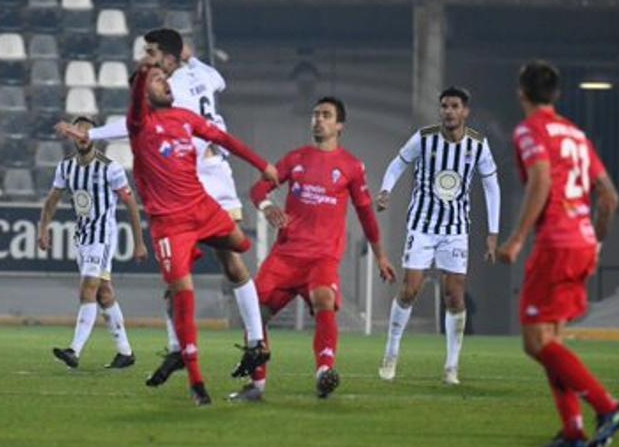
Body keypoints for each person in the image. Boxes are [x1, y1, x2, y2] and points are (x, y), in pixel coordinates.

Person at [61, 51, 278, 406]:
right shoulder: (139, 124)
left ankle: (246, 343)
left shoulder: (185, 117)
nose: (165, 82)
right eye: (157, 80)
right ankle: (196, 380)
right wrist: (142, 74)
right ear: (144, 93)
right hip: (171, 225)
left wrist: (262, 164)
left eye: (165, 77)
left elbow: (225, 140)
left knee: (240, 247)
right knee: (181, 293)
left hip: (203, 208)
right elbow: (135, 105)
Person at [496, 60, 619, 447]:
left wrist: (517, 238)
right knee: (551, 339)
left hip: (556, 243)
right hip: (582, 241)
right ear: (555, 94)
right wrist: (595, 241)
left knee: (534, 341)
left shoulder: (530, 130)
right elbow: (610, 197)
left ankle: (609, 408)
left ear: (521, 92)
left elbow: (540, 180)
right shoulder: (576, 133)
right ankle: (572, 430)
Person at [231, 97, 396, 402]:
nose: (318, 119)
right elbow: (258, 189)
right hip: (285, 256)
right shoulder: (295, 158)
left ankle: (324, 372)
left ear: (339, 125)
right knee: (254, 313)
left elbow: (366, 214)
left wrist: (381, 256)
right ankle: (257, 385)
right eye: (316, 114)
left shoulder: (351, 166)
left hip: (322, 257)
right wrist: (267, 207)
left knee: (324, 299)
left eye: (326, 115)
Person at [376, 87, 501, 386]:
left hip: (456, 229)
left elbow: (491, 186)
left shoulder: (478, 145)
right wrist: (385, 190)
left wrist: (493, 232)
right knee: (410, 289)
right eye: (444, 106)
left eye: (454, 106)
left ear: (465, 111)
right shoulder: (424, 138)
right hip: (422, 225)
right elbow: (398, 163)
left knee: (454, 296)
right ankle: (390, 355)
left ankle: (451, 366)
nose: (448, 111)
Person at [39, 115, 146, 370]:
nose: (82, 134)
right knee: (103, 293)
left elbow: (131, 204)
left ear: (94, 136)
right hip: (83, 236)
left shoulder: (111, 168)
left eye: (87, 130)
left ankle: (74, 350)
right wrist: (43, 229)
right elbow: (52, 200)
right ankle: (125, 352)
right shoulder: (66, 167)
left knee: (88, 287)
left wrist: (139, 242)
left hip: (103, 235)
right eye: (79, 129)